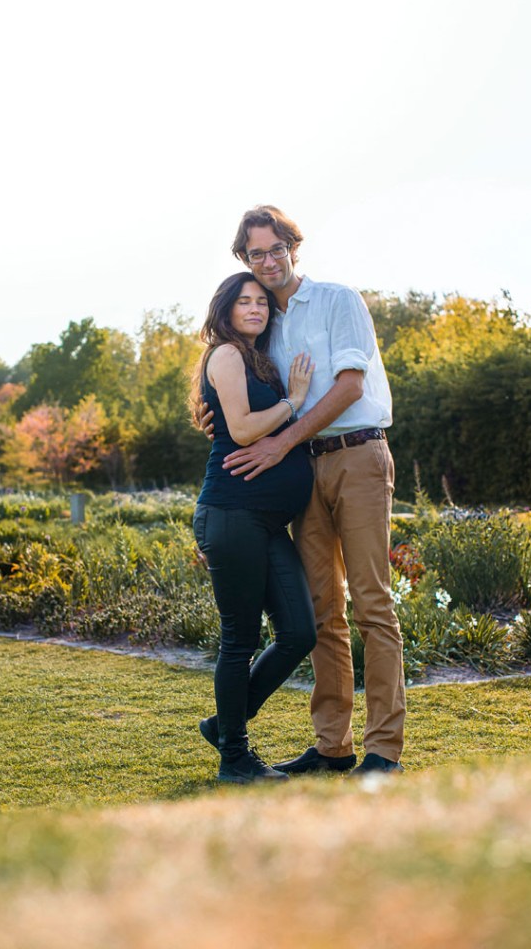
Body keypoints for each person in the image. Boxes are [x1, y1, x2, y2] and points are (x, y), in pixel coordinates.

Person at [216, 205, 406, 777]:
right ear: (244, 258)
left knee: (372, 604)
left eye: (276, 249)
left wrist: (280, 442)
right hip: (303, 470)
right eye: (256, 253)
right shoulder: (261, 323)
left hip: (357, 456)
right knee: (324, 611)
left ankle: (384, 751)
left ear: (293, 248)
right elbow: (249, 397)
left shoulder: (337, 301)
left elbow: (349, 387)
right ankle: (332, 747)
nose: (268, 261)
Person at [190, 271, 317, 785]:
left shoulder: (256, 359)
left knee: (299, 632)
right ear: (225, 309)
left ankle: (224, 725)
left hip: (263, 523)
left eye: (262, 302)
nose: (256, 309)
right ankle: (235, 758)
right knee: (239, 640)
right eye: (244, 301)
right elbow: (242, 430)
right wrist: (294, 400)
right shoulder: (226, 354)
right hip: (233, 514)